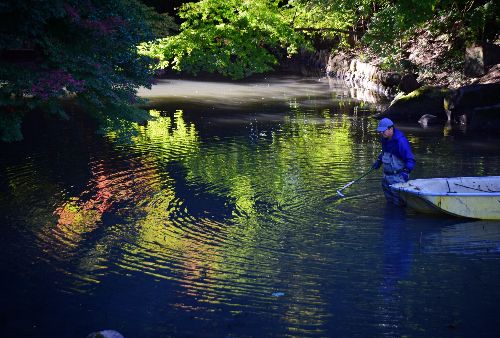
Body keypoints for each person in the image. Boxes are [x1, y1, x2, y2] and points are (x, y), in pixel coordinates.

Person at [372, 118, 415, 205]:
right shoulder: (385, 139)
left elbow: (410, 159)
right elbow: (385, 153)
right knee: (390, 204)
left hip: (398, 179)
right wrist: (379, 161)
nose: (381, 133)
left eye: (383, 131)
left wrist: (406, 172)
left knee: (399, 205)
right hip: (386, 178)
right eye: (380, 131)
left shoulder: (400, 142)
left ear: (391, 129)